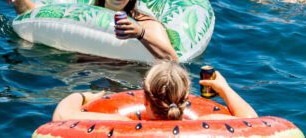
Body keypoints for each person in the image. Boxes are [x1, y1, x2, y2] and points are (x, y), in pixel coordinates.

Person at [7, 0, 178, 60]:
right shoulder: (85, 14)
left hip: (127, 77)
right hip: (85, 72)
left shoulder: (145, 23)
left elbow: (172, 59)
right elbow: (39, 15)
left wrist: (140, 34)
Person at [52, 60, 257, 122]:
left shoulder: (125, 125)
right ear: (186, 98)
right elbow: (252, 120)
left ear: (144, 97)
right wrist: (224, 89)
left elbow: (62, 116)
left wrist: (83, 96)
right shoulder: (206, 125)